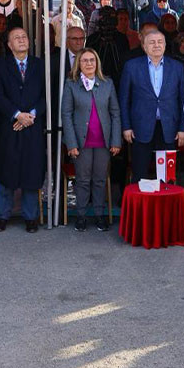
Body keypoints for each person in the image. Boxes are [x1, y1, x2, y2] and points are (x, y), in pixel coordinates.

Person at [0, 28, 46, 233]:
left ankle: (31, 217)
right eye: (17, 38)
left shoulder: (40, 64)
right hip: (9, 125)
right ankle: (2, 215)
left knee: (32, 170)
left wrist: (30, 115)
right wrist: (16, 114)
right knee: (7, 169)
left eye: (24, 37)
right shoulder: (0, 66)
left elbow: (46, 95)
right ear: (9, 44)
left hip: (33, 124)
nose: (21, 40)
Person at [61, 48, 121, 232]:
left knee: (100, 180)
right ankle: (80, 215)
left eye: (92, 60)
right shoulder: (71, 85)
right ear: (78, 64)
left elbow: (115, 113)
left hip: (103, 141)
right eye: (85, 60)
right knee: (83, 180)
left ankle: (99, 215)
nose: (89, 64)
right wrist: (71, 143)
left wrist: (116, 140)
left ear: (97, 63)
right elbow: (66, 115)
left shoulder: (107, 83)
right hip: (81, 142)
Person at [119, 29, 184, 182]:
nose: (156, 45)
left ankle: (164, 205)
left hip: (169, 127)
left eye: (160, 42)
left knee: (167, 176)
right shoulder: (131, 66)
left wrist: (183, 128)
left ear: (165, 45)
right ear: (143, 46)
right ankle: (141, 206)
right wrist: (126, 126)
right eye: (151, 42)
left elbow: (183, 100)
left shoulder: (177, 67)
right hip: (140, 127)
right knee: (140, 174)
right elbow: (124, 99)